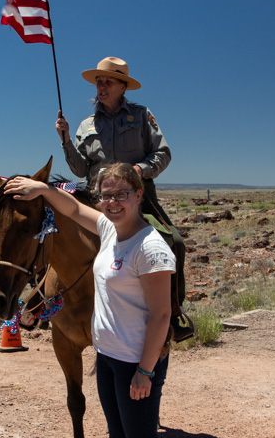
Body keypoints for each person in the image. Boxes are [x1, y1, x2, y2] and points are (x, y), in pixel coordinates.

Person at [4, 163, 176, 438]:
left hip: (137, 362)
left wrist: (146, 371)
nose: (112, 203)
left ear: (138, 196)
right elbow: (73, 209)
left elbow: (161, 316)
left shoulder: (151, 248)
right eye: (107, 195)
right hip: (110, 357)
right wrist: (41, 189)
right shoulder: (109, 229)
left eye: (121, 195)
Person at [56, 56, 193, 341]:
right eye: (99, 81)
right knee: (53, 234)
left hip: (137, 197)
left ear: (122, 87)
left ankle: (174, 312)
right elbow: (80, 169)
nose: (101, 86)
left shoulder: (142, 116)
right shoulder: (86, 124)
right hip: (95, 196)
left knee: (174, 242)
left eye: (108, 81)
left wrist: (138, 170)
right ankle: (43, 306)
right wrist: (66, 140)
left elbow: (163, 154)